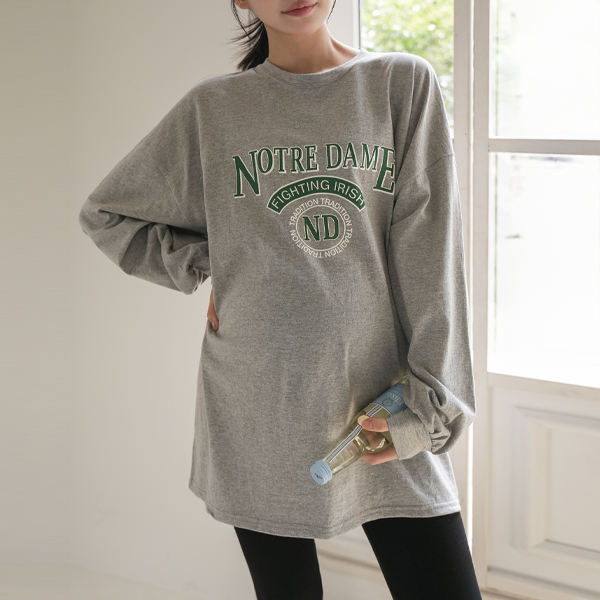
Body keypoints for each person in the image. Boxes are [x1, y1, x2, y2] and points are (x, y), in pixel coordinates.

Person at [78, 0, 483, 598]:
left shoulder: (398, 83)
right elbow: (108, 214)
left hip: (381, 394)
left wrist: (430, 411)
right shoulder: (215, 107)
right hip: (256, 403)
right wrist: (215, 262)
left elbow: (433, 252)